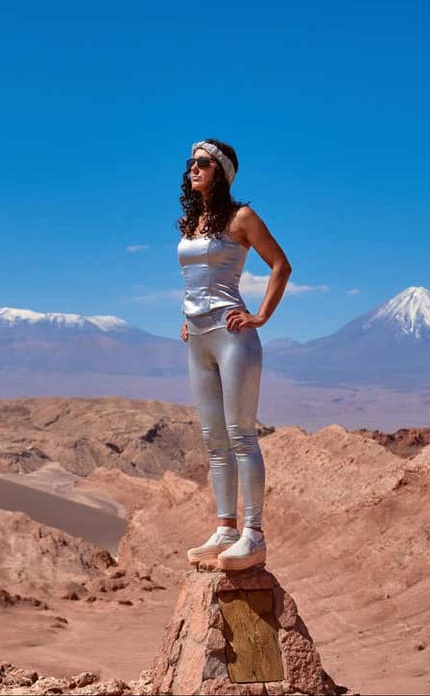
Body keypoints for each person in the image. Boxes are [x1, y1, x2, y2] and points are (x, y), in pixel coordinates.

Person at [176, 138, 292, 571]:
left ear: (221, 171)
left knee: (241, 435)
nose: (194, 168)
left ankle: (254, 535)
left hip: (232, 335)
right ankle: (225, 528)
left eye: (203, 163)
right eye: (191, 162)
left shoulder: (241, 217)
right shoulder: (192, 221)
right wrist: (189, 317)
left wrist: (260, 316)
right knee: (213, 440)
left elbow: (280, 264)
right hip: (199, 337)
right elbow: (198, 278)